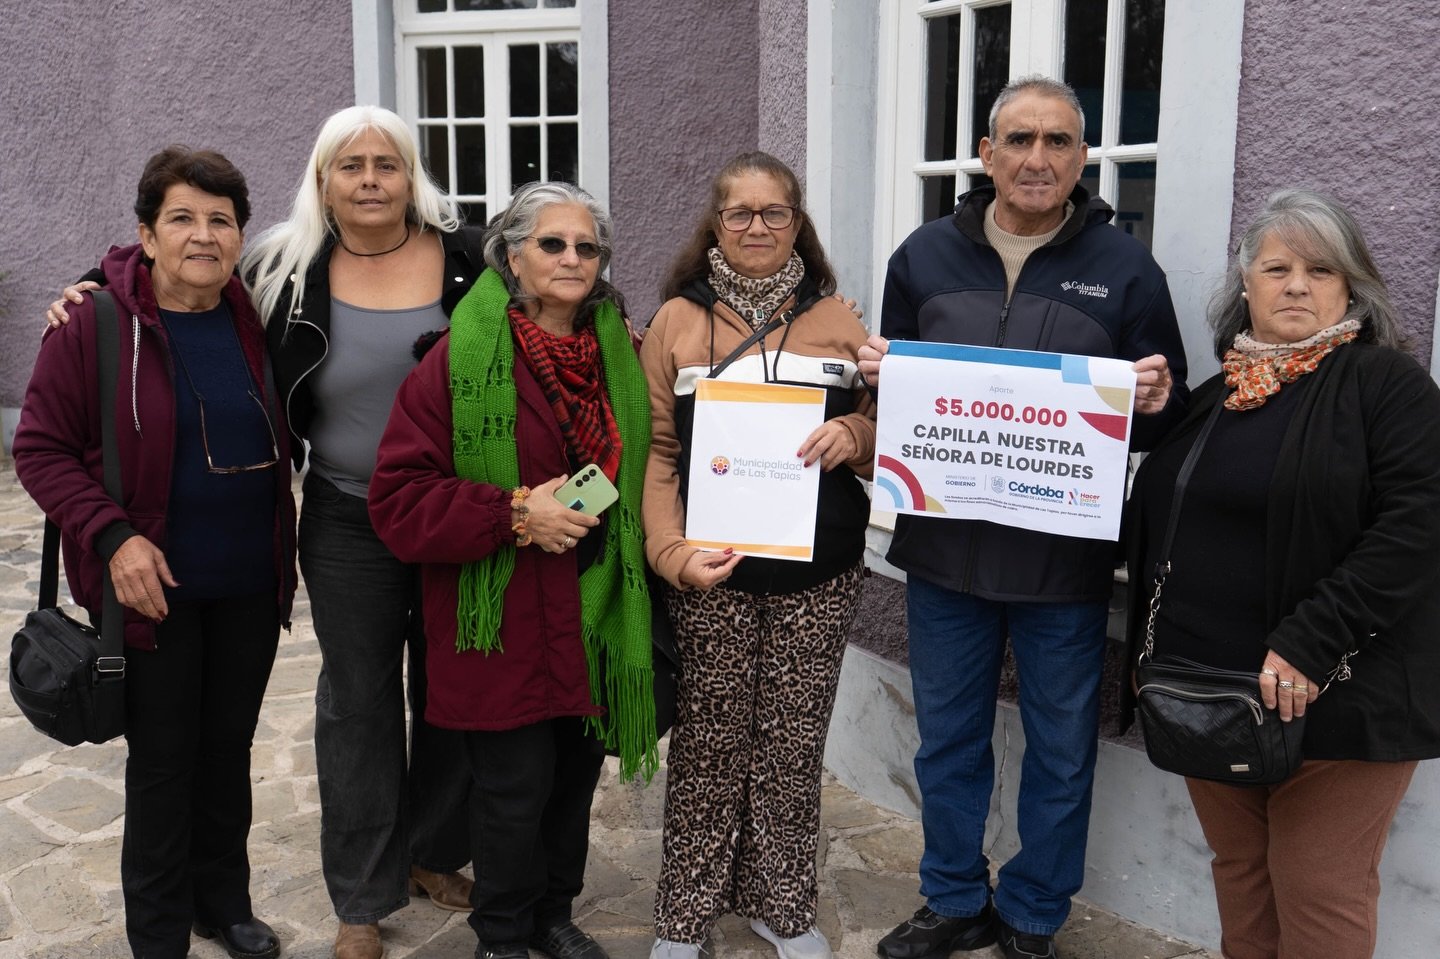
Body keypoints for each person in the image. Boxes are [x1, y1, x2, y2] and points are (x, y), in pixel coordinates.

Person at [48, 107, 480, 959]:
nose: (369, 179)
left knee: (447, 691)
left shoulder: (467, 259)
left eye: (386, 163)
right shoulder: (287, 264)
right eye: (349, 164)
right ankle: (359, 898)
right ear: (323, 180)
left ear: (412, 175)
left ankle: (427, 851)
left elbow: (556, 284)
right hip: (340, 517)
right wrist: (89, 285)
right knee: (351, 706)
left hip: (440, 514)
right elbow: (162, 268)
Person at [858, 76, 1188, 959]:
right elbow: (896, 402)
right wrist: (878, 375)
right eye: (1020, 139)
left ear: (1080, 158)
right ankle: (952, 897)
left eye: (1057, 141)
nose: (1037, 158)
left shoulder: (1126, 268)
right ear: (987, 154)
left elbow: (1166, 414)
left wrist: (1155, 399)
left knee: (1061, 748)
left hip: (1062, 560)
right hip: (944, 555)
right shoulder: (923, 256)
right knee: (948, 741)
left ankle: (1036, 912)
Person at [1120, 189, 1440, 959]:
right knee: (1242, 878)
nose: (1297, 284)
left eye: (1320, 269)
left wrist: (1310, 641)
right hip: (1209, 694)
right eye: (1277, 268)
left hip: (1336, 697)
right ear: (1247, 285)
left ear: (1350, 287)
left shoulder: (1386, 387)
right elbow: (1157, 519)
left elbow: (1417, 526)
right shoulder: (1215, 398)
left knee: (1320, 890)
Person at [14, 147, 296, 959]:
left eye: (221, 220)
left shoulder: (254, 314)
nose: (203, 235)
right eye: (182, 218)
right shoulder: (93, 324)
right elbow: (39, 448)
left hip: (248, 578)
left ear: (241, 235)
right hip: (149, 589)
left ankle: (223, 902)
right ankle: (160, 931)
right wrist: (113, 536)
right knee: (165, 763)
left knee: (227, 751)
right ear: (146, 233)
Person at [367, 180, 657, 959]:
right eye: (551, 243)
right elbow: (397, 499)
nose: (572, 258)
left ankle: (552, 916)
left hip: (593, 604)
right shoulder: (457, 358)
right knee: (511, 789)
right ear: (512, 256)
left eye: (587, 247)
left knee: (571, 779)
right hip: (502, 614)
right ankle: (500, 933)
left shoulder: (622, 354)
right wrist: (515, 513)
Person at [641, 151, 877, 959]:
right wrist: (669, 551)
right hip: (712, 573)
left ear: (796, 222)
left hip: (821, 573)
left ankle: (782, 903)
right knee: (709, 744)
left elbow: (887, 429)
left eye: (773, 212)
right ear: (715, 223)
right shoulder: (676, 322)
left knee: (792, 743)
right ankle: (683, 916)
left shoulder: (839, 319)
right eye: (738, 212)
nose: (756, 227)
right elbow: (658, 452)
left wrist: (857, 432)